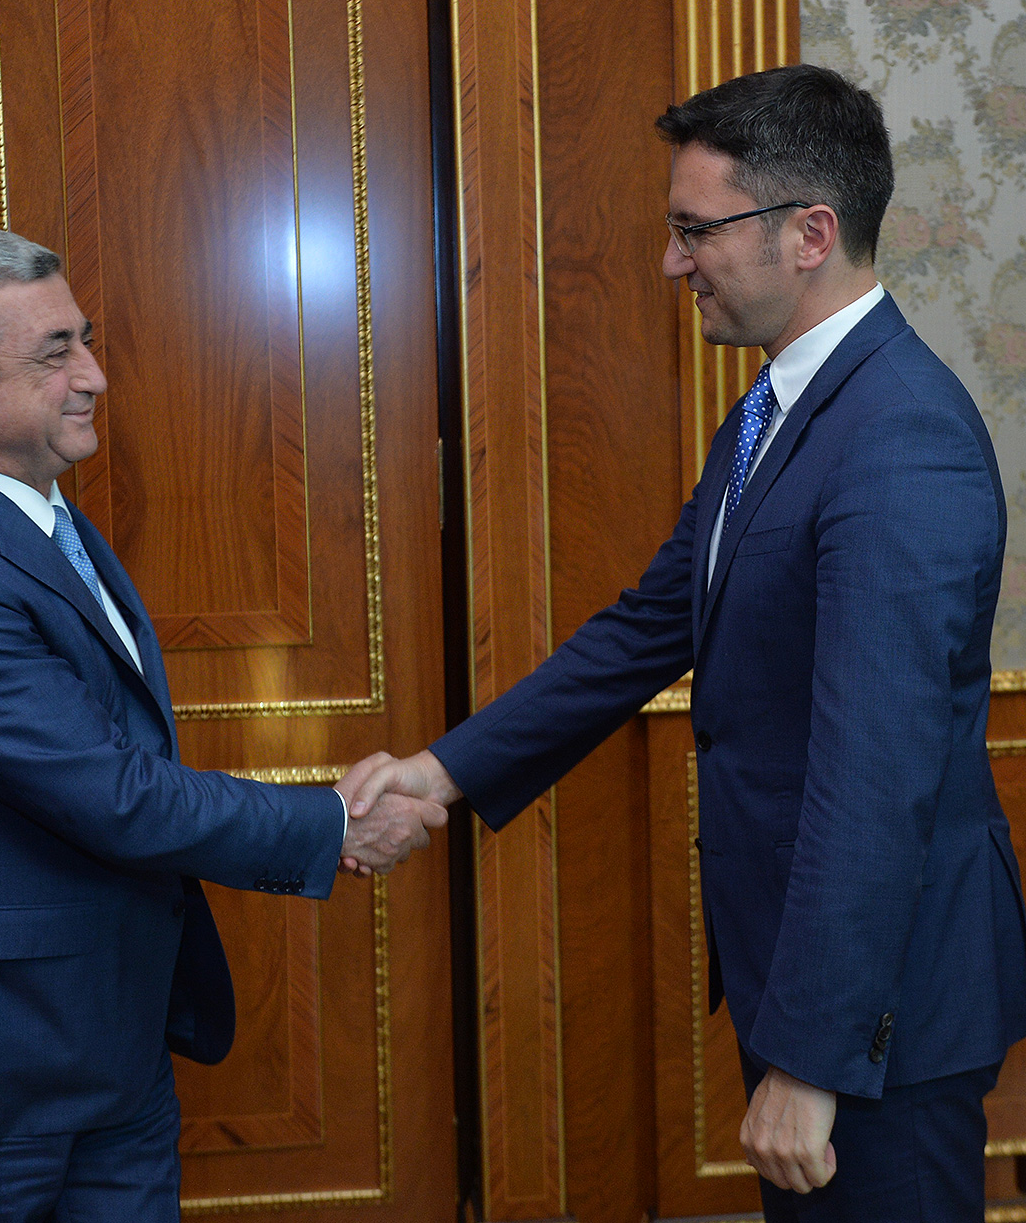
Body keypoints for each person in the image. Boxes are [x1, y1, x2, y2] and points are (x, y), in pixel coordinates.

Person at [340, 64, 1026, 1221]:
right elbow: (649, 624)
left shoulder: (899, 435)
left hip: (883, 1013)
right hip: (818, 979)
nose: (673, 260)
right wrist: (442, 772)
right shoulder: (777, 409)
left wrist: (810, 1057)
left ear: (810, 234)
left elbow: (877, 772)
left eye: (695, 229)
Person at [0, 226, 444, 1222]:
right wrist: (331, 821)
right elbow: (113, 791)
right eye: (55, 353)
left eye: (85, 339)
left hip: (101, 1044)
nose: (94, 375)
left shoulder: (39, 513)